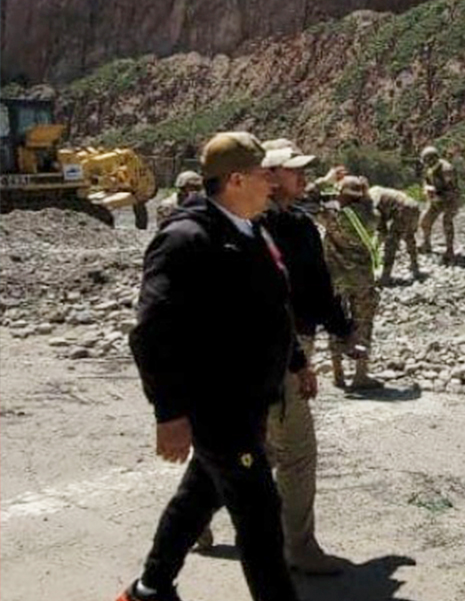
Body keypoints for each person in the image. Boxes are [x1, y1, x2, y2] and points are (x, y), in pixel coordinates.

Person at [120, 132, 307, 601]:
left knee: (198, 497)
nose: (274, 184)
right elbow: (150, 333)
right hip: (217, 408)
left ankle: (149, 589)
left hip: (248, 402)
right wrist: (169, 414)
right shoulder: (187, 238)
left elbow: (273, 307)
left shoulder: (250, 229)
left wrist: (297, 361)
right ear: (237, 178)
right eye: (266, 174)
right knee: (261, 519)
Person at [256, 139, 355, 574]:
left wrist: (342, 329)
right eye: (293, 169)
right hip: (274, 351)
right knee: (295, 451)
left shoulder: (294, 224)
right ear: (270, 176)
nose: (303, 175)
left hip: (287, 348)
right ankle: (298, 548)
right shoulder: (257, 228)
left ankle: (194, 520)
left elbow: (317, 287)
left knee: (250, 444)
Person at [316, 176, 381, 391]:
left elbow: (308, 200)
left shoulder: (333, 216)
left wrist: (323, 183)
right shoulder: (372, 215)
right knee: (363, 323)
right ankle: (361, 374)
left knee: (337, 322)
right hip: (362, 279)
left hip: (336, 279)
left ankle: (338, 373)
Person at [368, 184, 423, 285]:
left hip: (403, 210)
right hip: (414, 206)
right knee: (409, 237)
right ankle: (415, 266)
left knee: (390, 244)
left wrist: (377, 241)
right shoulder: (377, 190)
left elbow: (378, 218)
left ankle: (385, 276)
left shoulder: (371, 196)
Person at [417, 145, 460, 264]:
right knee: (425, 220)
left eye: (427, 161)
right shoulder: (430, 168)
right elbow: (426, 180)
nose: (425, 163)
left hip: (450, 200)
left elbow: (452, 190)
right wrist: (426, 189)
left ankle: (450, 250)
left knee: (447, 222)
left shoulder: (447, 170)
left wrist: (436, 192)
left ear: (432, 159)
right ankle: (426, 243)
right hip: (436, 199)